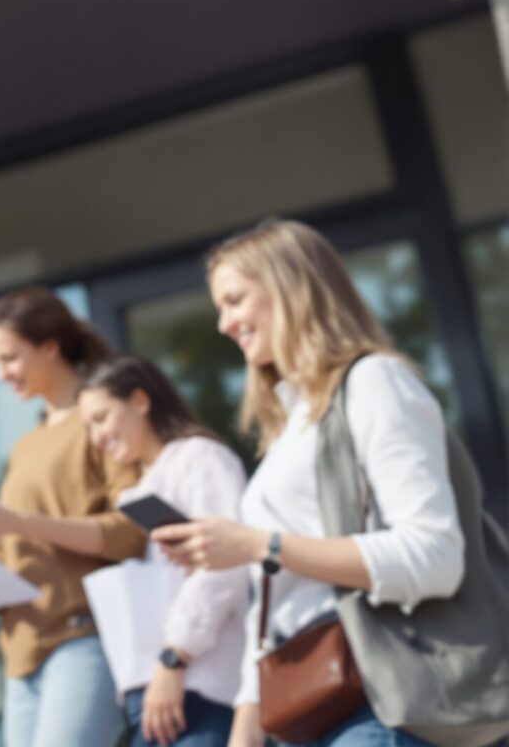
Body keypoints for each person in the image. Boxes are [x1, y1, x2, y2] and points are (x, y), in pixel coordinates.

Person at [155, 220, 466, 747]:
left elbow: (435, 554)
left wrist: (258, 545)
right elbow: (275, 601)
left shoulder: (373, 384)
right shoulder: (291, 428)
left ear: (288, 288)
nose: (224, 324)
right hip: (313, 709)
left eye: (234, 300)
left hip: (379, 699)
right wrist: (245, 728)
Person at [0, 286, 146, 747]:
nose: (1, 373)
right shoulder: (25, 445)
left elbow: (130, 533)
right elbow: (26, 555)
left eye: (9, 358)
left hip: (82, 637)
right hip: (22, 653)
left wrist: (15, 522)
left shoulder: (101, 423)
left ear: (49, 347)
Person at [77, 355, 248, 747]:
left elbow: (224, 567)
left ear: (140, 400)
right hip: (153, 694)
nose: (97, 436)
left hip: (197, 687)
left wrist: (175, 657)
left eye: (101, 417)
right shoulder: (141, 489)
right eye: (89, 426)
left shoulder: (200, 458)